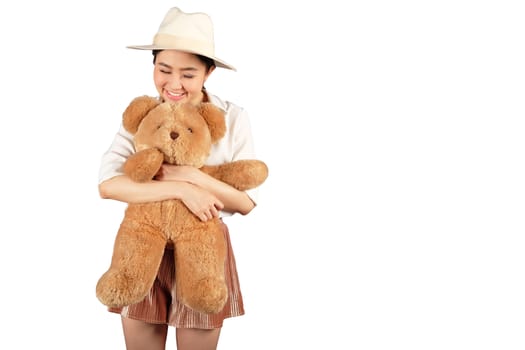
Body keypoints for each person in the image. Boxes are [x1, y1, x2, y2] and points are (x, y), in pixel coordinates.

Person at [98, 7, 260, 350]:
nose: (173, 84)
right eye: (163, 70)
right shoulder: (143, 118)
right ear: (153, 66)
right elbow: (109, 185)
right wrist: (183, 188)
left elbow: (245, 202)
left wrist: (190, 174)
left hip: (203, 250)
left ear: (208, 72)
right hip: (142, 243)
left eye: (188, 74)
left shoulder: (232, 117)